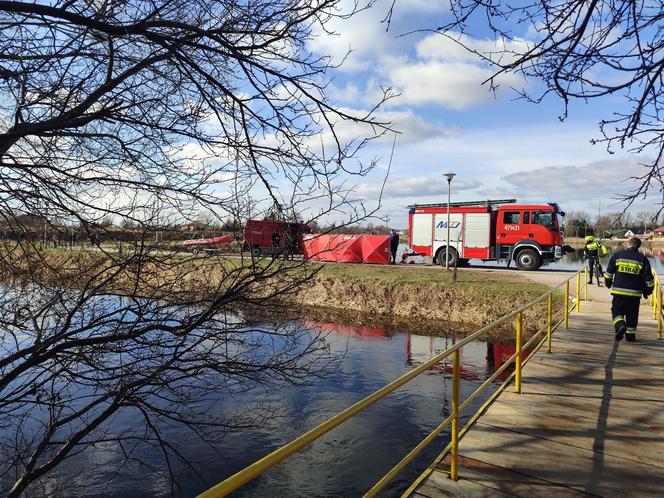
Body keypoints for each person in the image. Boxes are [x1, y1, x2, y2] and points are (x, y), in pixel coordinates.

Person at [604, 237, 654, 342]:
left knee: (617, 311)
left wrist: (608, 284)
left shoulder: (617, 256)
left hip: (619, 292)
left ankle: (620, 325)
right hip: (635, 295)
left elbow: (608, 273)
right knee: (632, 315)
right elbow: (649, 280)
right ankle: (630, 337)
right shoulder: (643, 259)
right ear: (639, 246)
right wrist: (647, 291)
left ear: (629, 244)